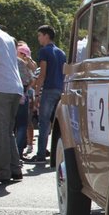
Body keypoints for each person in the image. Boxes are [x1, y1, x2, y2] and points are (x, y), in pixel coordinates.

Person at [0, 5, 24, 184]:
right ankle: (15, 169)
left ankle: (3, 172)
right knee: (8, 132)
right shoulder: (7, 36)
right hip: (14, 88)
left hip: (0, 88)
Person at [26, 25, 66, 164]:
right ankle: (56, 154)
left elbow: (42, 74)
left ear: (46, 36)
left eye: (39, 35)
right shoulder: (61, 53)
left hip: (48, 90)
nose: (38, 38)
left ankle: (41, 155)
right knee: (58, 123)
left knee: (43, 123)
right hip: (60, 89)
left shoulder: (44, 51)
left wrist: (37, 94)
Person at [15, 42, 35, 158]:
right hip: (23, 94)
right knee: (22, 124)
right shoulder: (24, 64)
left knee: (13, 125)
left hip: (10, 93)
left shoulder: (11, 62)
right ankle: (18, 152)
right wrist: (26, 90)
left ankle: (12, 152)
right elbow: (32, 80)